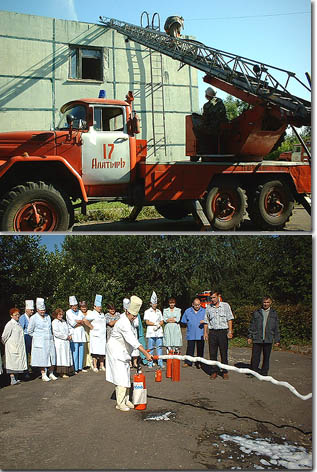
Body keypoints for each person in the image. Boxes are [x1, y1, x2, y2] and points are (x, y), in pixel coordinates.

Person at [106, 295, 153, 411]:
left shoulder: (129, 321)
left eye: (136, 316)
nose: (134, 318)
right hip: (115, 350)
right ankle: (120, 402)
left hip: (123, 351)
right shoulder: (123, 322)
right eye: (133, 315)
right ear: (127, 312)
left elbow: (133, 339)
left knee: (126, 374)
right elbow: (133, 341)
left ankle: (126, 400)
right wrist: (146, 354)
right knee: (120, 376)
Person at [204, 291, 234, 380]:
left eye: (214, 297)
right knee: (212, 353)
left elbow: (230, 319)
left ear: (218, 296)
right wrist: (205, 333)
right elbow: (206, 321)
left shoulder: (225, 306)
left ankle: (224, 371)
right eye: (211, 298)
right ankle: (214, 371)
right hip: (213, 332)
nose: (212, 300)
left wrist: (230, 331)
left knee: (223, 352)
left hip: (223, 332)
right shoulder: (208, 307)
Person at [248, 296, 280, 376]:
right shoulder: (257, 312)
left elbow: (276, 327)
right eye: (264, 302)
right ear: (262, 303)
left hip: (268, 338)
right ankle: (253, 372)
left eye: (267, 302)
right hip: (257, 338)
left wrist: (277, 339)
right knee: (255, 357)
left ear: (270, 303)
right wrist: (250, 336)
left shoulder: (274, 313)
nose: (266, 304)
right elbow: (252, 325)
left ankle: (264, 372)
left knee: (266, 357)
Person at [27, 298, 57, 382]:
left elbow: (49, 328)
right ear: (37, 310)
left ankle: (51, 373)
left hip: (49, 340)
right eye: (41, 310)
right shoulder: (33, 318)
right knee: (42, 358)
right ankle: (43, 374)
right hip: (40, 341)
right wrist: (37, 337)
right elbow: (29, 331)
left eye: (44, 310)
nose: (43, 312)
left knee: (52, 357)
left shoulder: (48, 317)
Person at [1, 308, 27, 385]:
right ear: (11, 315)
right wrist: (7, 344)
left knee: (17, 363)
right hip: (12, 347)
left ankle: (16, 378)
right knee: (12, 364)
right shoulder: (10, 324)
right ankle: (12, 379)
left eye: (18, 314)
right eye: (15, 315)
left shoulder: (18, 324)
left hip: (19, 347)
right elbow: (4, 336)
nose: (17, 316)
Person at [83, 294, 107, 372]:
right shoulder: (92, 313)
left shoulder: (102, 314)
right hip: (96, 336)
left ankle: (102, 365)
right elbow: (85, 320)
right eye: (98, 307)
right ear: (94, 307)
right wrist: (90, 326)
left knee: (102, 352)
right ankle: (95, 366)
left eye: (100, 307)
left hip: (102, 336)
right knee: (95, 352)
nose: (100, 308)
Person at [181, 298, 205, 368]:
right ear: (192, 304)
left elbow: (209, 321)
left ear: (200, 304)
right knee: (190, 349)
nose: (197, 306)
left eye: (198, 305)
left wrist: (204, 321)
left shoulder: (204, 311)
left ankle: (200, 363)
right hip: (191, 333)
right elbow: (183, 321)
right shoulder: (187, 311)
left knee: (200, 349)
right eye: (196, 305)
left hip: (200, 333)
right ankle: (188, 362)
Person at [66, 295, 87, 374]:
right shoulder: (68, 312)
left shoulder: (80, 311)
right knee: (75, 351)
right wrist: (80, 322)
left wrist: (79, 321)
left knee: (81, 350)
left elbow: (84, 320)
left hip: (81, 333)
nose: (75, 307)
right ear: (70, 306)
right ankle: (74, 368)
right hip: (74, 334)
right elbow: (73, 324)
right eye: (73, 306)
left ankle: (80, 367)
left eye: (75, 306)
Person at [51, 308, 74, 378]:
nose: (61, 316)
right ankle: (62, 373)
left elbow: (68, 329)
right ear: (56, 315)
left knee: (67, 356)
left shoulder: (64, 321)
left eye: (62, 314)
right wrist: (66, 337)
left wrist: (70, 335)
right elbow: (56, 333)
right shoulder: (54, 322)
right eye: (59, 314)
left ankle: (68, 371)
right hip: (59, 342)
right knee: (61, 357)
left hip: (66, 342)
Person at [143, 291, 164, 369]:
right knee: (150, 348)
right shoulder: (147, 311)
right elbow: (147, 322)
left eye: (155, 303)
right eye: (153, 303)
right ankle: (150, 362)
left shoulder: (159, 311)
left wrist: (158, 325)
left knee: (159, 347)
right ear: (150, 303)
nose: (154, 305)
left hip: (158, 331)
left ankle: (160, 362)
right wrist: (155, 324)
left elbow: (162, 321)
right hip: (151, 331)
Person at [19, 299, 34, 376]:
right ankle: (26, 371)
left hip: (31, 337)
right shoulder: (22, 317)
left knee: (32, 353)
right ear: (26, 310)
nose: (32, 312)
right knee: (26, 354)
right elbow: (21, 328)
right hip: (26, 336)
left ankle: (33, 369)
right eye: (31, 310)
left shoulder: (32, 317)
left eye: (32, 310)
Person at [79, 301, 93, 370]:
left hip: (90, 332)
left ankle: (90, 363)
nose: (83, 308)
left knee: (90, 348)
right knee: (83, 349)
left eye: (85, 306)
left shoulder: (90, 312)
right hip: (82, 332)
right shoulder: (79, 313)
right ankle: (83, 364)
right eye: (82, 307)